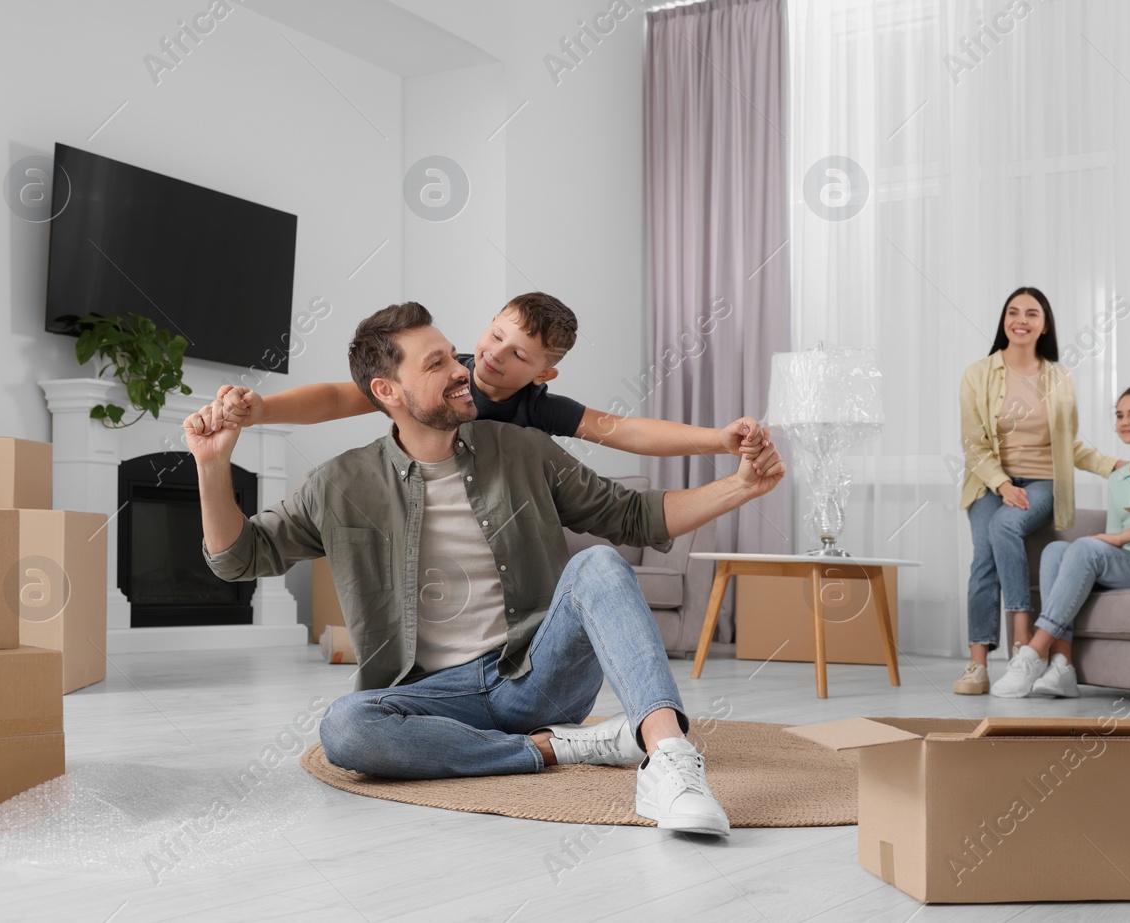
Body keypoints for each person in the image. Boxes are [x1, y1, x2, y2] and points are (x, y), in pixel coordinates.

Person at [184, 302, 785, 838]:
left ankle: (668, 759)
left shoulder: (524, 448)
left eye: (453, 355)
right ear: (387, 391)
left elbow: (633, 516)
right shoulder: (340, 483)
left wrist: (739, 485)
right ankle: (555, 750)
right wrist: (213, 468)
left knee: (599, 562)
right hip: (433, 695)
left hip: (534, 673)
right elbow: (239, 559)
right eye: (437, 363)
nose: (462, 371)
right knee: (346, 728)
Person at [214, 291, 764, 460]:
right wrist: (263, 410)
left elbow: (624, 429)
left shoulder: (538, 407)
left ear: (544, 371)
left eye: (519, 355)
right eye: (496, 336)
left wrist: (718, 439)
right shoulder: (449, 377)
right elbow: (341, 397)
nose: (496, 356)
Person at [953, 287, 1124, 696]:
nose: (1021, 320)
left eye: (1032, 313)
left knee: (1004, 528)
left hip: (1046, 481)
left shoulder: (1059, 377)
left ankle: (1021, 644)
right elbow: (973, 444)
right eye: (1013, 312)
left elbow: (1071, 443)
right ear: (1004, 321)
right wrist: (1002, 484)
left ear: (1044, 324)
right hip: (988, 481)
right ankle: (978, 666)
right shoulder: (978, 373)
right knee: (983, 561)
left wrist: (1109, 465)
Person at [993, 382, 1130, 698]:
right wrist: (1110, 543)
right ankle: (1062, 665)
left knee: (1088, 546)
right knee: (1055, 550)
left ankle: (1034, 652)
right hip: (1123, 565)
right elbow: (1114, 535)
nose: (1124, 422)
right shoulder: (1118, 476)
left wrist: (1114, 540)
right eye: (1119, 416)